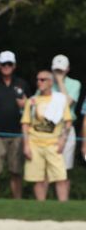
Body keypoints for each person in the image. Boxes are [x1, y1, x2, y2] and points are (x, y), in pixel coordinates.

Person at [0, 51, 30, 199]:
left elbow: (30, 110)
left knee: (16, 171)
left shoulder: (22, 84)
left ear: (14, 65)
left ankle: (17, 202)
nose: (6, 67)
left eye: (9, 64)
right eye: (3, 64)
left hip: (17, 133)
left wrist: (25, 105)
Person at [22, 70, 72, 202]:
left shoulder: (60, 100)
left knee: (60, 177)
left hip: (53, 144)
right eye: (38, 79)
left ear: (50, 82)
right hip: (35, 144)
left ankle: (63, 207)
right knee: (38, 179)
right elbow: (25, 124)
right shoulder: (32, 101)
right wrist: (26, 145)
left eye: (43, 79)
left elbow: (68, 122)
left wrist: (63, 140)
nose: (39, 82)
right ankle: (41, 206)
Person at [50, 55, 80, 199]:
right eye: (56, 70)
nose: (58, 73)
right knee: (46, 168)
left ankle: (63, 202)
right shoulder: (46, 82)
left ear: (67, 70)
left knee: (65, 168)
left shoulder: (75, 84)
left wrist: (60, 82)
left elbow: (67, 103)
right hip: (48, 129)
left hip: (66, 128)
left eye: (61, 71)